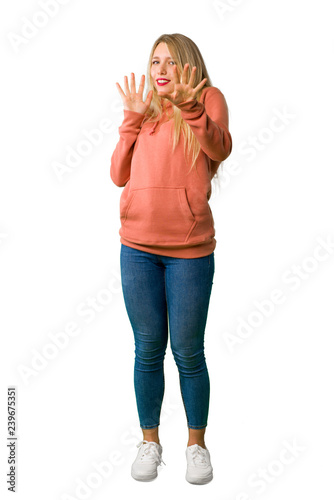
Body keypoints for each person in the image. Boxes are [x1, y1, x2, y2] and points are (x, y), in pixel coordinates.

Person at [110, 33, 232, 484]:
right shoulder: (146, 110)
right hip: (137, 250)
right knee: (146, 351)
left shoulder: (207, 100)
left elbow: (221, 148)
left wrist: (191, 108)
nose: (160, 69)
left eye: (170, 61)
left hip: (189, 254)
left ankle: (196, 446)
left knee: (187, 353)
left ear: (188, 66)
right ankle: (150, 441)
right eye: (154, 60)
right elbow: (117, 174)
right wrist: (130, 120)